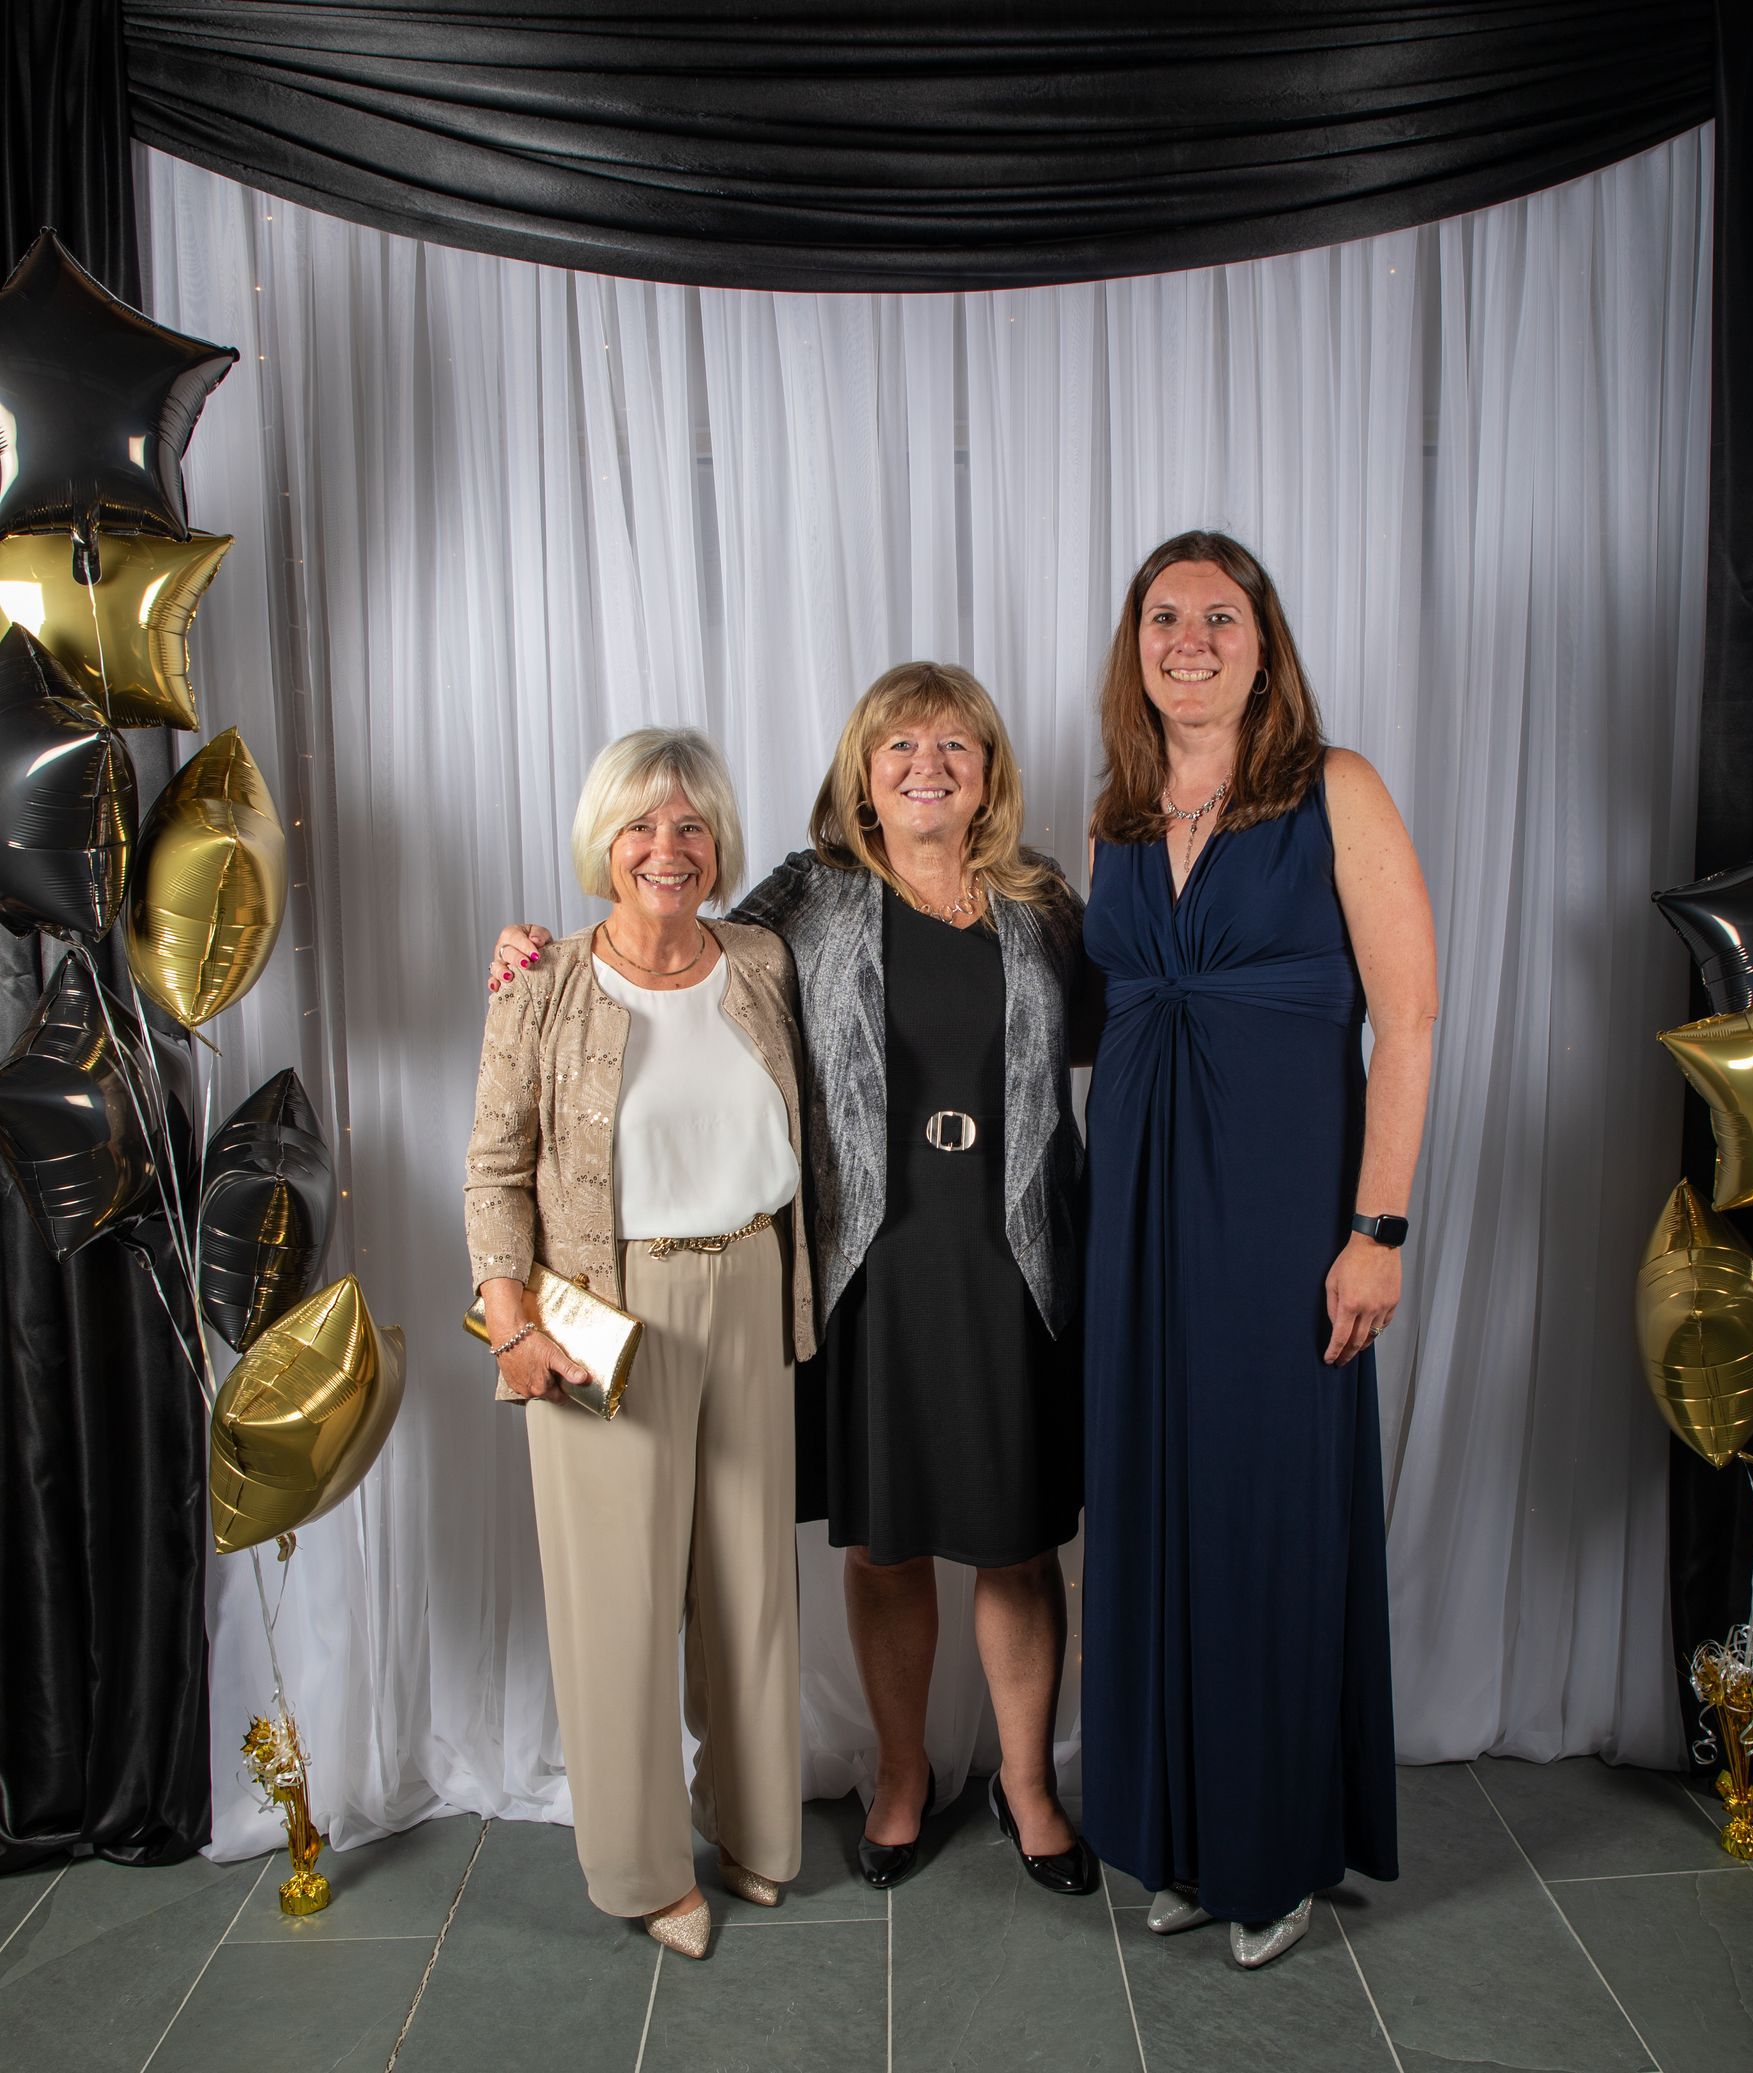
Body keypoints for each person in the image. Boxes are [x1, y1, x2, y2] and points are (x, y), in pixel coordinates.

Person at [489, 663, 1095, 1896]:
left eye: (954, 745)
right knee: (885, 1548)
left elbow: (1115, 1032)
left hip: (1015, 1263)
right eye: (898, 745)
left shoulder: (1044, 902)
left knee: (1020, 1546)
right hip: (868, 1266)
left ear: (989, 771)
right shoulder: (812, 898)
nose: (927, 764)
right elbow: (673, 936)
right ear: (861, 775)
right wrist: (532, 949)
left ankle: (1030, 1788)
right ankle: (904, 1775)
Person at [1077, 531, 1437, 1969]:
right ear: (1137, 648)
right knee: (1157, 1513)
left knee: (1269, 1519)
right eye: (1165, 617)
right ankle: (1178, 1834)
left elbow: (1407, 1021)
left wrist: (1378, 1230)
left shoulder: (1334, 790)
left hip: (1289, 1221)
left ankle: (1276, 1846)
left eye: (1220, 615)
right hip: (1138, 1224)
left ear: (1263, 640)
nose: (1191, 638)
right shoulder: (1114, 816)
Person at [466, 728, 813, 1961]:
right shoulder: (542, 981)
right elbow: (495, 1170)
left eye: (692, 827)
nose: (667, 850)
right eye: (640, 827)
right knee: (615, 1608)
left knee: (749, 1588)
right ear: (601, 843)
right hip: (599, 1314)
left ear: (719, 844)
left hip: (754, 1283)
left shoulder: (766, 959)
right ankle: (639, 1871)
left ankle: (758, 1830)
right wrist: (508, 1321)